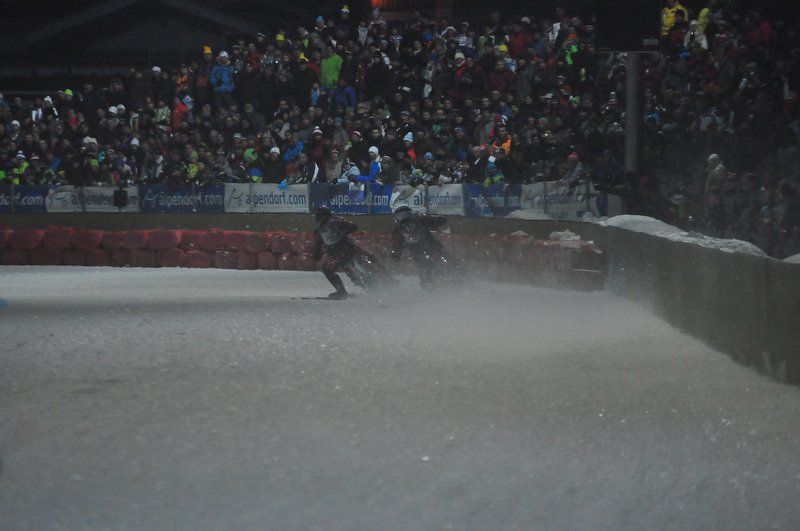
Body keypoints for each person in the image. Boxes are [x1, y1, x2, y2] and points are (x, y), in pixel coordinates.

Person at [312, 206, 391, 299]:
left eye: (317, 216)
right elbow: (352, 226)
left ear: (321, 216)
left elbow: (352, 227)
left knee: (331, 269)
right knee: (368, 261)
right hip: (347, 253)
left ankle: (342, 292)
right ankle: (384, 282)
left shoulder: (331, 224)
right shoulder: (328, 226)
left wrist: (316, 255)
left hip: (344, 254)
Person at [390, 206, 462, 288]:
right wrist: (441, 220)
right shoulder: (420, 221)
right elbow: (439, 222)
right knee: (450, 262)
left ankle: (430, 284)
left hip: (419, 255)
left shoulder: (398, 231)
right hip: (434, 248)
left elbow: (396, 247)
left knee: (425, 272)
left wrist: (396, 254)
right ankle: (460, 274)